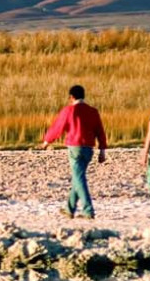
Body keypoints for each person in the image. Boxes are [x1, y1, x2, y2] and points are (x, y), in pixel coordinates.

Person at [39, 85, 108, 219]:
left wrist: (47, 141)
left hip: (75, 147)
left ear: (71, 97)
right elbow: (100, 131)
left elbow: (58, 127)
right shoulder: (93, 111)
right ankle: (69, 208)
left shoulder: (69, 110)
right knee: (78, 177)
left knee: (79, 178)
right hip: (88, 148)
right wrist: (102, 150)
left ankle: (88, 209)